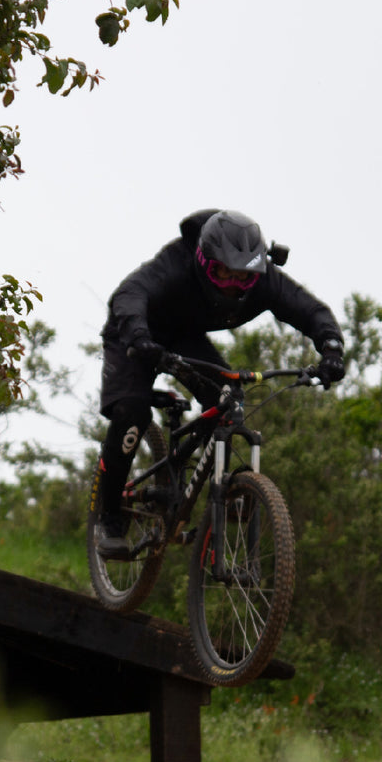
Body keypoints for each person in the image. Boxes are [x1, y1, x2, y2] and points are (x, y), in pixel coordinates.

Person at [94, 208, 345, 559]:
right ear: (202, 259)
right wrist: (138, 336)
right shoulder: (177, 261)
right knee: (132, 412)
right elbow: (129, 294)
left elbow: (310, 311)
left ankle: (223, 491)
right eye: (221, 273)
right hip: (135, 333)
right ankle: (108, 518)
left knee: (228, 399)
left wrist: (331, 348)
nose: (231, 283)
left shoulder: (264, 280)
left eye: (243, 278)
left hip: (184, 337)